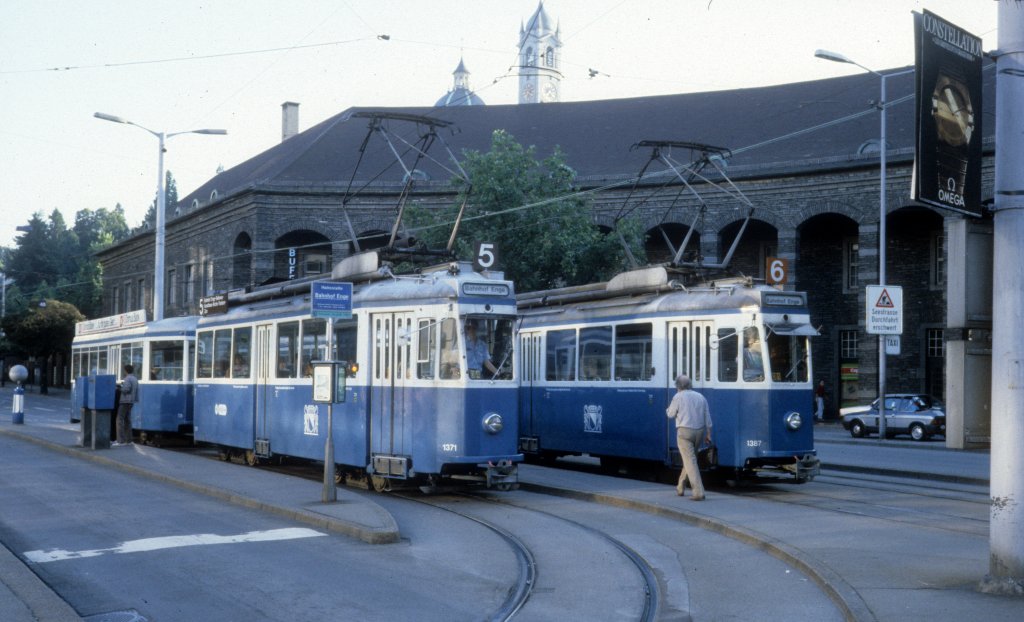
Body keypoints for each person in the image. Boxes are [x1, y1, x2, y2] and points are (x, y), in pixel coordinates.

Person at [665, 374, 713, 500]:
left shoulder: (678, 396)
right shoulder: (700, 397)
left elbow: (670, 414)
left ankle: (698, 492)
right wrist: (708, 434)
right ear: (690, 385)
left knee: (690, 461)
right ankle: (680, 486)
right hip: (699, 431)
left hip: (684, 432)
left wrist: (668, 410)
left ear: (678, 386)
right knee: (690, 459)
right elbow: (707, 417)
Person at [113, 364, 138, 447]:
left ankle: (120, 441)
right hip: (131, 401)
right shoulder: (134, 378)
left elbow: (126, 389)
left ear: (126, 371)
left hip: (125, 401)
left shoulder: (127, 379)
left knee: (119, 419)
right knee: (128, 420)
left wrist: (120, 387)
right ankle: (129, 440)